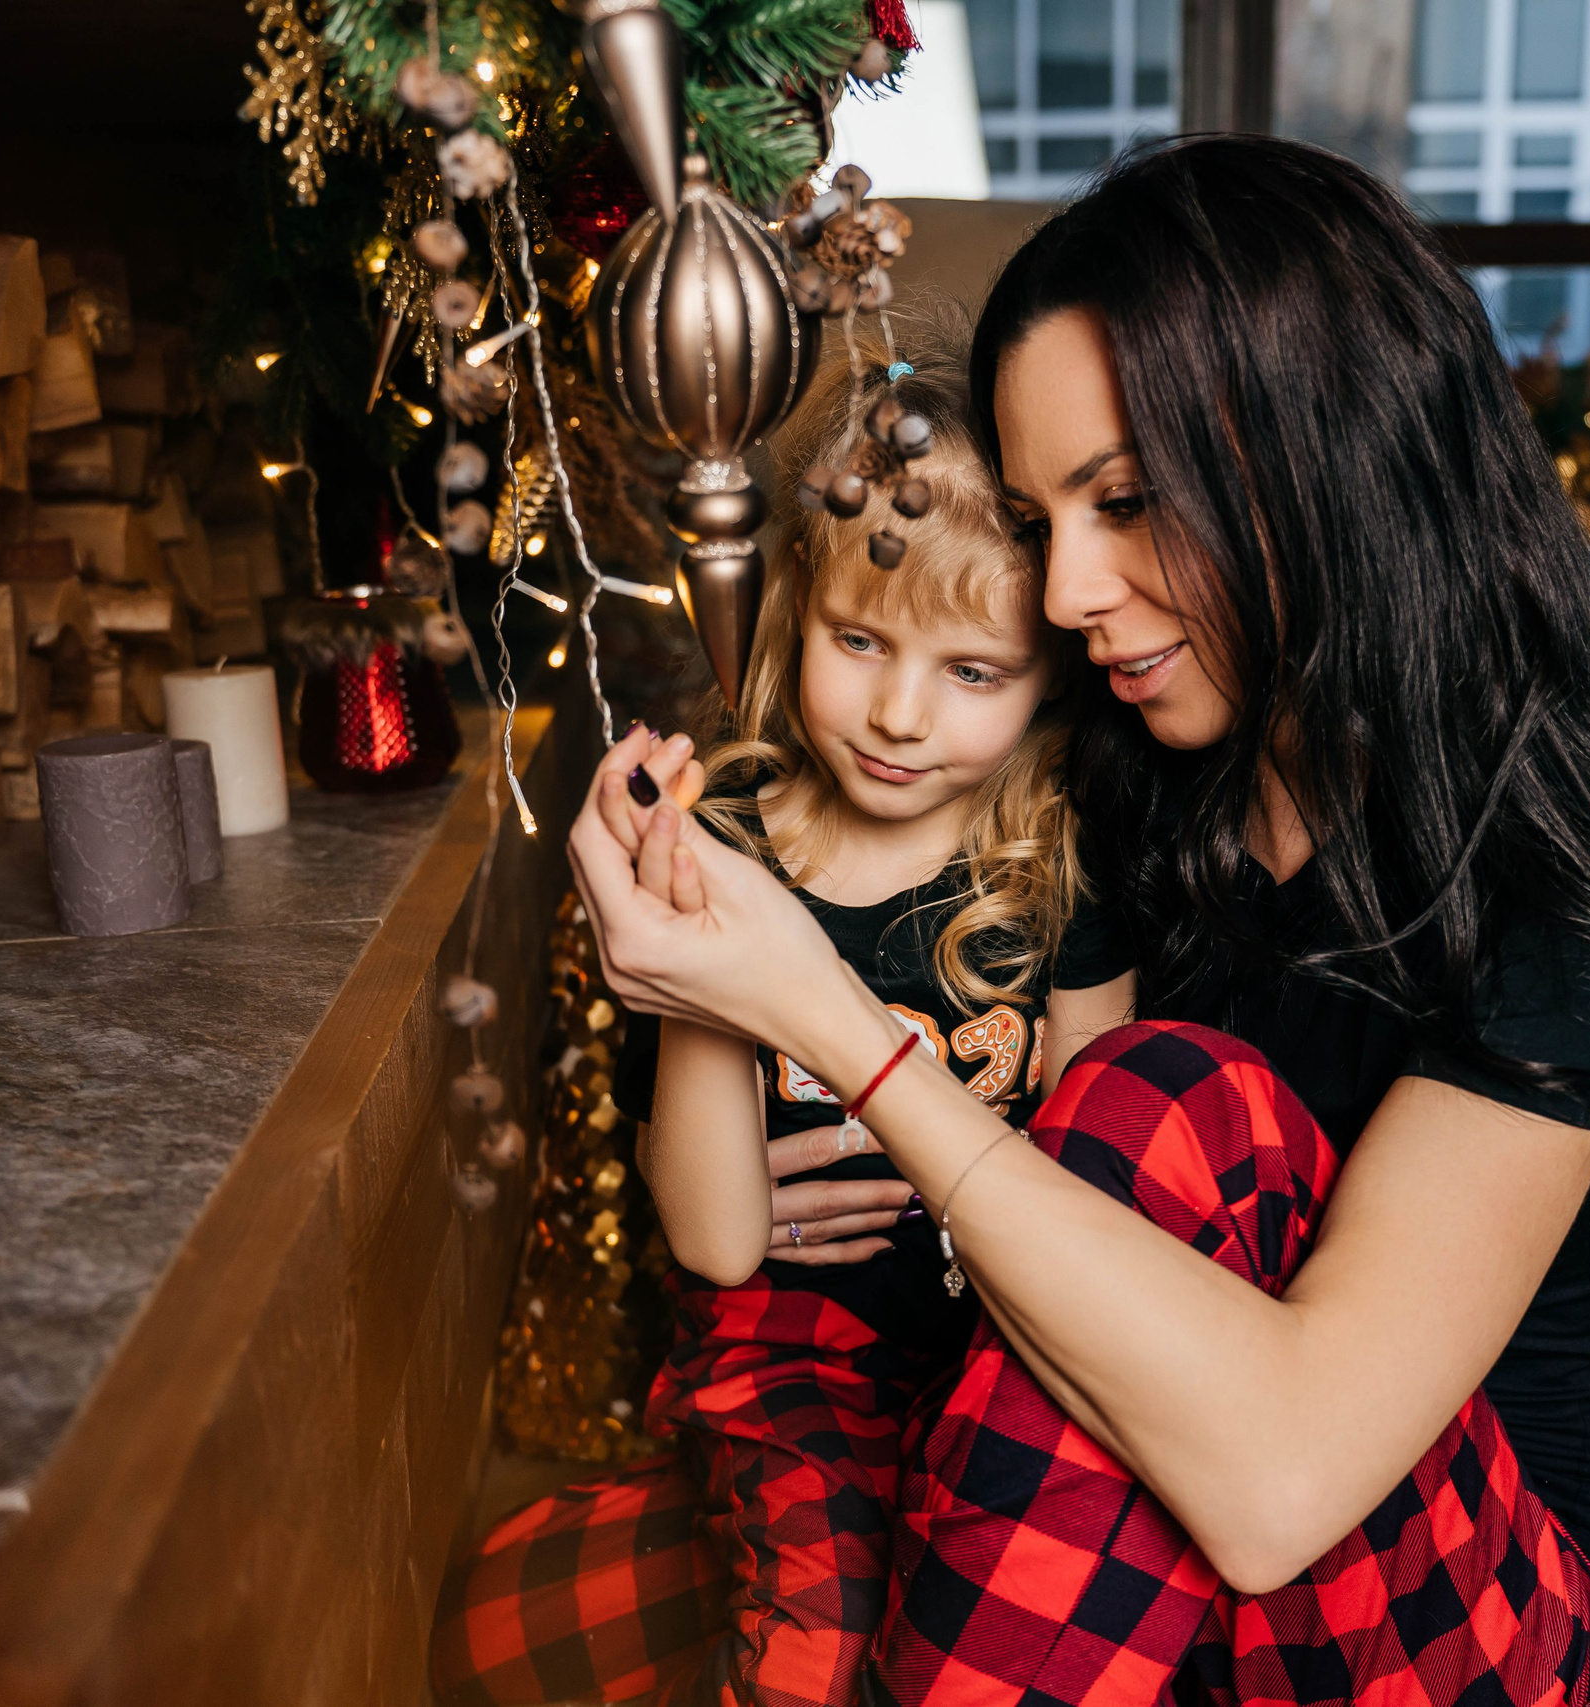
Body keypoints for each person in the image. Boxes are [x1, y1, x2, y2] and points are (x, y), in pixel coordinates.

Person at [565, 136, 1590, 1707]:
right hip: (1154, 1496)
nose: (1072, 592)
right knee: (528, 1616)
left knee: (1171, 1108)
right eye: (1042, 524)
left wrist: (833, 1029)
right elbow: (886, 892)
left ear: (1329, 458)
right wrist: (749, 1083)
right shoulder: (1142, 763)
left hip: (1473, 1631)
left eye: (1128, 503)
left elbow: (1284, 1476)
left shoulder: (1573, 886)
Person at [433, 321, 1136, 1707]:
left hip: (998, 1349)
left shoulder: (1060, 863)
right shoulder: (726, 842)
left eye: (971, 672)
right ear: (793, 611)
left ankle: (608, 1573)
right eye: (857, 639)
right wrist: (700, 941)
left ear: (1050, 677)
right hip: (789, 1347)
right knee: (823, 1624)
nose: (895, 712)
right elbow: (715, 1240)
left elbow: (1105, 1184)